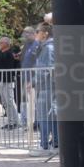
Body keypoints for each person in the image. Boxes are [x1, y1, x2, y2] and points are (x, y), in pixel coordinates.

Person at [32, 23, 57, 154]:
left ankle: (45, 146)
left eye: (37, 31)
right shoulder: (47, 47)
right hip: (48, 86)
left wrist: (34, 81)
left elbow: (45, 69)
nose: (35, 34)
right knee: (51, 115)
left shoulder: (48, 48)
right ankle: (55, 144)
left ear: (45, 33)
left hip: (47, 86)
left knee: (44, 115)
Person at [0, 36, 20, 130]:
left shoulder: (9, 54)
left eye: (1, 43)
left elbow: (10, 67)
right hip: (2, 80)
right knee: (5, 102)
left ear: (6, 44)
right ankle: (11, 121)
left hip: (7, 80)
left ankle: (14, 122)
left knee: (9, 101)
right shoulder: (3, 54)